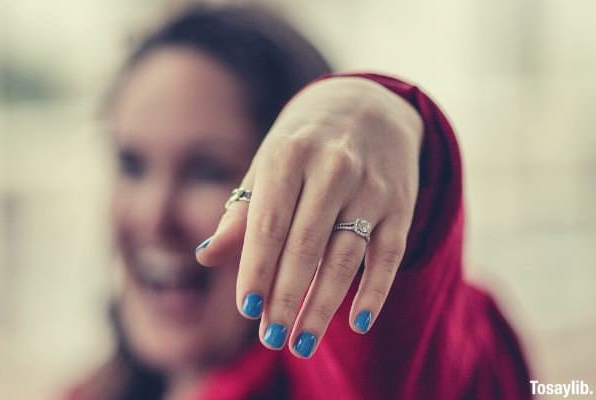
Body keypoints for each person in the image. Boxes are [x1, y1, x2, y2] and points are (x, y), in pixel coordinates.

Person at [67, 4, 531, 400]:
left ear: (322, 185)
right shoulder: (86, 389)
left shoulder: (384, 366)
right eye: (132, 165)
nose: (153, 216)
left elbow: (406, 343)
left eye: (207, 171)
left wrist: (377, 107)